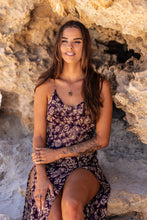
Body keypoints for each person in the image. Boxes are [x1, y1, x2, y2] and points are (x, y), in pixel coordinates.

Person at [23, 20, 112, 220]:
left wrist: (58, 154)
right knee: (53, 215)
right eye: (64, 41)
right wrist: (41, 175)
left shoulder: (98, 85)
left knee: (71, 205)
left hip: (83, 164)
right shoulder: (45, 85)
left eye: (76, 41)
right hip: (48, 164)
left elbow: (102, 140)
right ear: (58, 46)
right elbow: (38, 135)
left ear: (85, 46)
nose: (70, 47)